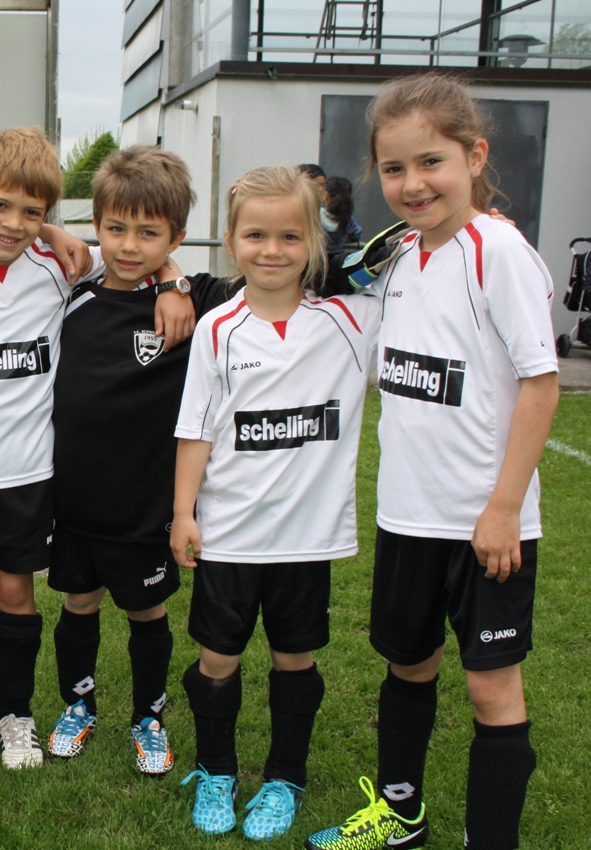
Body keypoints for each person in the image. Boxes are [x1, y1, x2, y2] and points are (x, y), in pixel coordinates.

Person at [305, 73, 558, 850]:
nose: (412, 184)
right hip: (407, 516)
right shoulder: (396, 255)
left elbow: (540, 384)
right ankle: (400, 815)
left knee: (489, 689)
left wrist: (503, 509)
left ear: (473, 157)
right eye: (393, 168)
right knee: (407, 665)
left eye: (430, 162)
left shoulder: (498, 252)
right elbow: (316, 282)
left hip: (485, 523)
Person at [0, 128, 196, 771]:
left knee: (16, 594)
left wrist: (174, 280)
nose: (13, 224)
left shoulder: (61, 267)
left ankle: (17, 716)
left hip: (31, 474)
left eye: (32, 213)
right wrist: (31, 227)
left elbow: (136, 252)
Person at [170, 165, 381, 841]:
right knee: (217, 660)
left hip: (305, 537)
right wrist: (183, 512)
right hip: (230, 532)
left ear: (314, 243)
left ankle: (284, 778)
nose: (272, 250)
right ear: (232, 240)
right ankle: (216, 769)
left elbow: (408, 267)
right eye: (255, 235)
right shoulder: (217, 327)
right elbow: (196, 429)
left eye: (290, 236)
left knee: (295, 659)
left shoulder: (348, 322)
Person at [45, 145, 229, 777]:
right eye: (115, 228)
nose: (128, 245)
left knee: (147, 611)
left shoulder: (196, 301)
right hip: (76, 501)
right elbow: (5, 230)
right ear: (96, 225)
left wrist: (175, 281)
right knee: (79, 604)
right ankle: (77, 705)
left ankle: (149, 716)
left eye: (149, 233)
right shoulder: (70, 291)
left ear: (176, 237)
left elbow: (285, 273)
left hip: (145, 507)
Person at [322, 176, 362, 254]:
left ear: (327, 194)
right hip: (338, 257)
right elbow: (357, 234)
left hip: (318, 258)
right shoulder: (347, 218)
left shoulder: (316, 214)